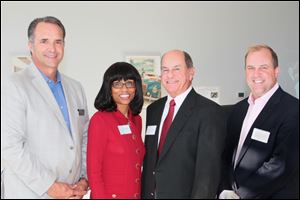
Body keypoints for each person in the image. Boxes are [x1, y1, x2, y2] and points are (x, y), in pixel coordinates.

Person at [1, 16, 89, 198]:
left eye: (58, 41)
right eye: (44, 41)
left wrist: (84, 179)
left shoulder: (76, 88)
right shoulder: (14, 85)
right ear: (30, 45)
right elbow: (10, 146)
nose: (52, 48)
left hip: (72, 193)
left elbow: (85, 138)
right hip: (31, 192)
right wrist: (50, 186)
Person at [141, 50, 227, 198]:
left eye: (176, 69)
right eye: (165, 70)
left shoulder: (209, 112)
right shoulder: (153, 110)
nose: (170, 75)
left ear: (191, 72)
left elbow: (207, 174)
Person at [219, 44, 299, 199]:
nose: (256, 74)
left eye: (263, 67)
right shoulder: (237, 110)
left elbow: (281, 167)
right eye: (250, 68)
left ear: (277, 71)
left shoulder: (293, 110)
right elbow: (226, 156)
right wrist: (224, 189)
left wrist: (241, 195)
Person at [87, 62, 145, 199]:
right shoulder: (100, 120)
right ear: (109, 88)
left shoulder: (137, 120)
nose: (124, 89)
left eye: (130, 83)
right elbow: (94, 172)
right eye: (117, 84)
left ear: (136, 88)